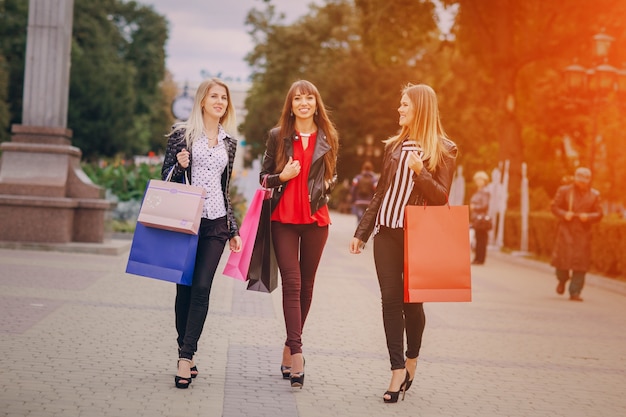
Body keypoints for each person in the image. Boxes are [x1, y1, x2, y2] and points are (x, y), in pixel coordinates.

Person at [349, 84, 457, 403]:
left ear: (420, 108)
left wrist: (422, 172)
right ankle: (396, 369)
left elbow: (441, 198)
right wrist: (362, 232)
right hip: (387, 232)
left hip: (418, 235)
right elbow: (381, 192)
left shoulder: (444, 148)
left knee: (413, 304)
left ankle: (412, 360)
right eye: (400, 104)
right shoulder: (394, 146)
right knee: (390, 299)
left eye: (405, 105)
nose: (399, 110)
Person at [161, 78, 242, 389]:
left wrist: (232, 228)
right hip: (186, 221)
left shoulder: (228, 142)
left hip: (216, 224)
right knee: (184, 288)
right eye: (214, 96)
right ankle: (187, 351)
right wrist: (180, 166)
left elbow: (225, 189)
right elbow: (165, 179)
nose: (220, 101)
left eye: (224, 97)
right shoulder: (182, 135)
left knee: (202, 288)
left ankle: (185, 355)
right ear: (202, 101)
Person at [259, 79, 339, 389]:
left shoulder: (328, 136)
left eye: (309, 98)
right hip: (283, 219)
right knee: (291, 284)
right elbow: (264, 179)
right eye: (297, 99)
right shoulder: (277, 137)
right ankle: (299, 354)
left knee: (307, 287)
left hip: (316, 220)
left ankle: (289, 346)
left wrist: (326, 187)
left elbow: (329, 176)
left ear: (317, 103)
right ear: (290, 106)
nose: (303, 103)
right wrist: (283, 176)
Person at [550, 167, 603, 302]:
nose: (582, 182)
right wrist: (564, 214)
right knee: (562, 262)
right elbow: (554, 207)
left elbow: (599, 213)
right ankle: (562, 280)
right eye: (579, 179)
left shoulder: (594, 195)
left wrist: (588, 217)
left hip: (583, 233)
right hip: (566, 230)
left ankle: (575, 291)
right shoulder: (564, 191)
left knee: (581, 265)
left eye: (585, 180)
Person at [469, 171, 491, 265]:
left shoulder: (485, 192)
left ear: (484, 181)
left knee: (481, 239)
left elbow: (485, 205)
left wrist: (475, 207)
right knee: (478, 238)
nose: (478, 181)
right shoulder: (479, 191)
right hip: (476, 218)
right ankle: (478, 258)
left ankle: (480, 259)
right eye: (477, 179)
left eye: (480, 179)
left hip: (481, 218)